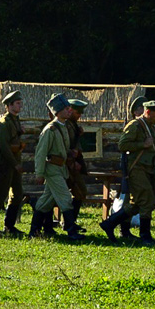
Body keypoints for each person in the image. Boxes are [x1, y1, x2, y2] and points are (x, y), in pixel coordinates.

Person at [100, 100, 155, 244]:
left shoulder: (152, 128)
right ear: (148, 112)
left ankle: (110, 223)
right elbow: (122, 145)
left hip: (148, 169)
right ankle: (145, 235)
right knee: (147, 201)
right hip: (137, 169)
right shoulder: (135, 125)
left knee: (138, 203)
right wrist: (142, 144)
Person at [27, 93, 84, 240]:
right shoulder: (50, 130)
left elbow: (61, 148)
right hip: (52, 170)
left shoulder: (62, 127)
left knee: (46, 201)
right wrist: (39, 173)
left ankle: (34, 231)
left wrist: (69, 153)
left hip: (61, 169)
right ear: (57, 112)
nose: (69, 111)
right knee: (65, 198)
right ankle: (71, 232)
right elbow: (41, 153)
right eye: (66, 108)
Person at [0, 91, 26, 235]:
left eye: (20, 103)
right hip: (4, 163)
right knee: (0, 194)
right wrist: (15, 163)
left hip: (14, 162)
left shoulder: (15, 119)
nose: (20, 106)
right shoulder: (4, 122)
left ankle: (9, 226)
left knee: (17, 193)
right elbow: (3, 146)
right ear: (9, 106)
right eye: (17, 103)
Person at [64, 99, 89, 232]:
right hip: (68, 164)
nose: (80, 114)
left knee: (80, 192)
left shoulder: (73, 125)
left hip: (73, 164)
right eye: (77, 111)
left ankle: (70, 222)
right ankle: (68, 224)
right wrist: (72, 162)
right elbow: (65, 146)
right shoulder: (67, 124)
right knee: (78, 191)